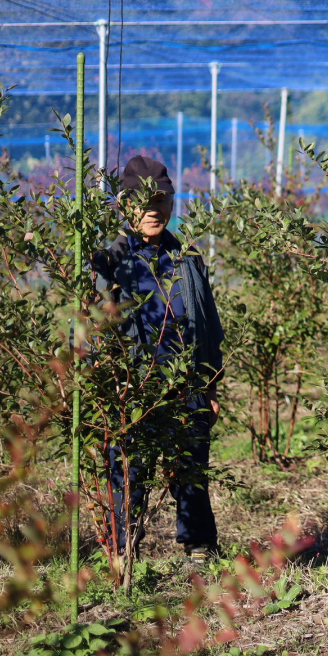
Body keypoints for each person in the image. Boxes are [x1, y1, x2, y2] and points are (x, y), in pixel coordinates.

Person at [92, 155, 224, 562]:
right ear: (124, 206)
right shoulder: (109, 262)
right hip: (133, 387)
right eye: (144, 203)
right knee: (128, 469)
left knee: (191, 468)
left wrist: (211, 386)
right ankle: (121, 549)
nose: (154, 211)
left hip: (186, 384)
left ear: (172, 203)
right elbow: (89, 328)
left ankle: (199, 545)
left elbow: (208, 326)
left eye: (161, 201)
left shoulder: (188, 258)